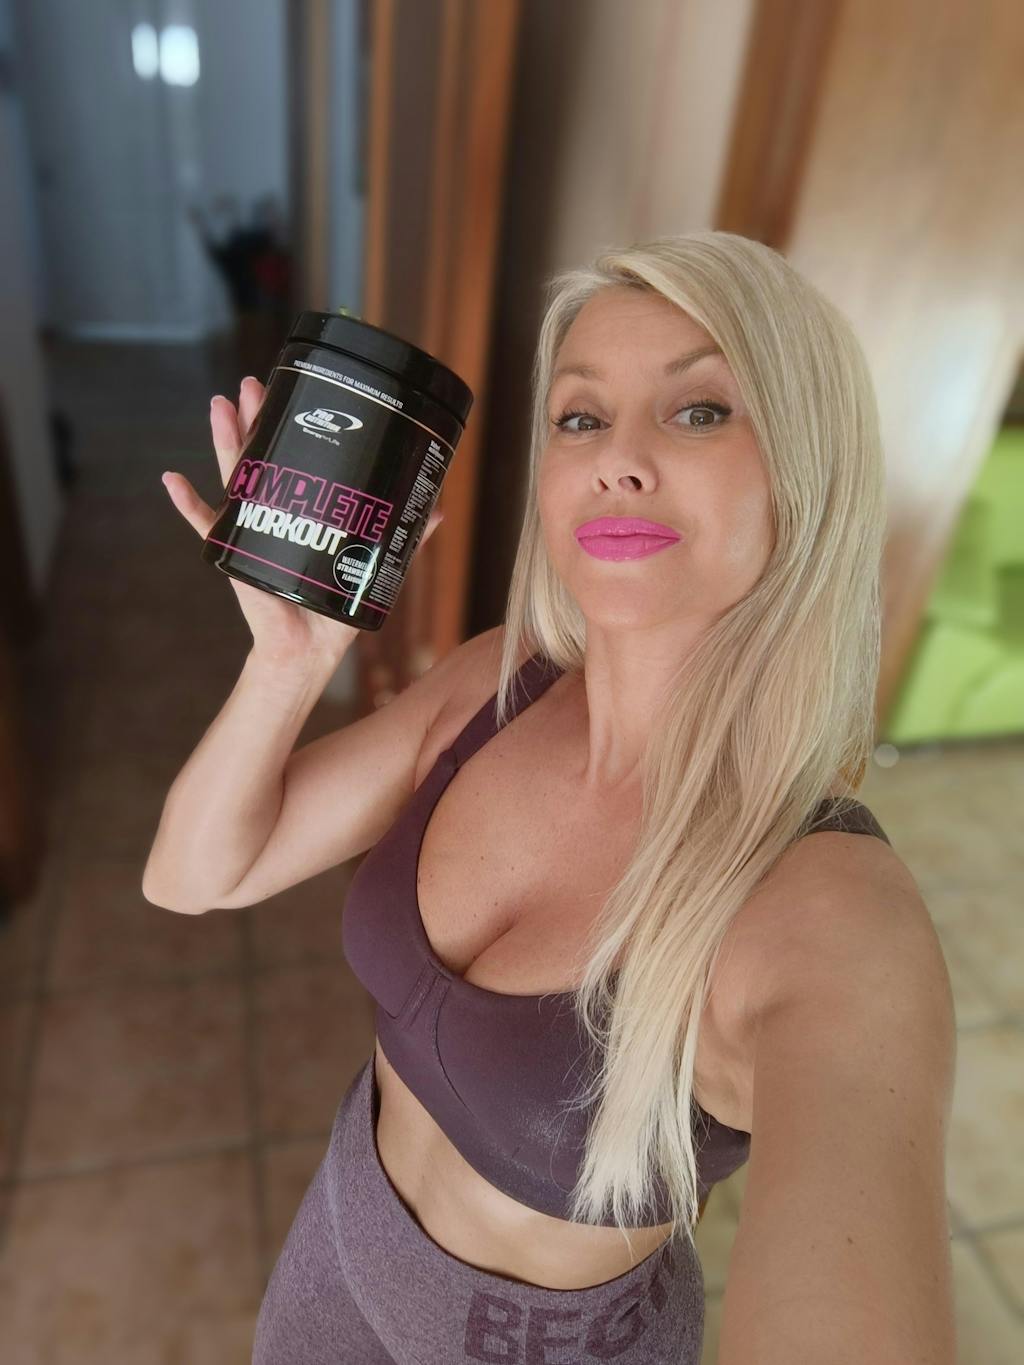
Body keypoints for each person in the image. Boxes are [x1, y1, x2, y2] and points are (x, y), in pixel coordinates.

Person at [145, 230, 956, 1364]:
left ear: (807, 466)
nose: (618, 458)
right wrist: (286, 665)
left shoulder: (828, 916)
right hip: (336, 1247)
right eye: (580, 417)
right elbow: (194, 877)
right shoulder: (500, 680)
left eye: (699, 410)